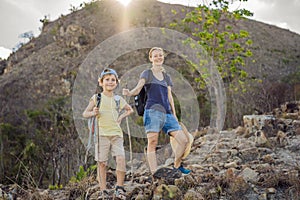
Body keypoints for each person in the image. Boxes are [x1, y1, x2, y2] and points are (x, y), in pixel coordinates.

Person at [122, 47, 191, 175]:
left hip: (167, 113)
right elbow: (138, 88)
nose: (158, 57)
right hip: (152, 111)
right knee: (152, 142)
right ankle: (154, 173)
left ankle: (176, 167)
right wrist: (130, 92)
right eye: (155, 56)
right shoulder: (147, 73)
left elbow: (169, 96)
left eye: (160, 55)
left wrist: (174, 115)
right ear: (151, 58)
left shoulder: (166, 76)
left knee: (184, 140)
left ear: (163, 57)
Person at [83, 68, 133, 199]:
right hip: (101, 135)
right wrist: (93, 113)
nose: (110, 82)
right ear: (101, 82)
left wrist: (121, 117)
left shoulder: (118, 99)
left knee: (121, 159)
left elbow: (130, 109)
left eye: (113, 80)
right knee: (102, 163)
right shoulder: (97, 98)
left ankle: (119, 188)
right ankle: (103, 190)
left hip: (116, 135)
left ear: (116, 82)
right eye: (107, 80)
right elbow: (85, 113)